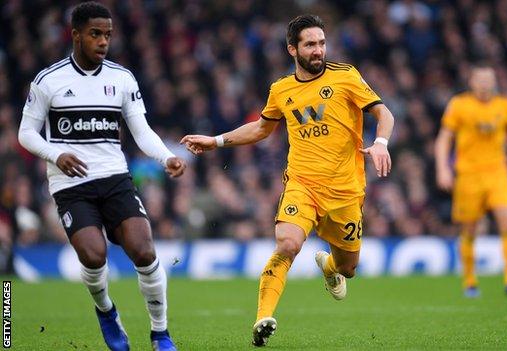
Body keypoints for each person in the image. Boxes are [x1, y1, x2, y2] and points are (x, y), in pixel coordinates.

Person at [181, 14, 394, 347]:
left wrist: (381, 142)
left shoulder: (346, 77)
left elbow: (384, 113)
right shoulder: (281, 90)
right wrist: (217, 140)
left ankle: (330, 267)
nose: (318, 50)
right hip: (302, 184)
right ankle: (262, 318)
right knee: (288, 244)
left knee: (349, 268)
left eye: (322, 43)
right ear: (292, 49)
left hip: (346, 191)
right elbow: (262, 128)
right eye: (310, 44)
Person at [17, 2, 184, 350]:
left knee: (144, 250)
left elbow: (141, 130)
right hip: (71, 184)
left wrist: (167, 156)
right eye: (95, 34)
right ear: (75, 35)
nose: (103, 41)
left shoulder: (121, 78)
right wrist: (56, 153)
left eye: (107, 34)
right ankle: (106, 311)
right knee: (93, 256)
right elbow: (26, 133)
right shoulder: (49, 81)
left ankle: (160, 333)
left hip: (114, 178)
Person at [434, 63, 507, 298]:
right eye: (480, 80)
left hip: (498, 173)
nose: (485, 84)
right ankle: (470, 281)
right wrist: (443, 168)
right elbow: (444, 139)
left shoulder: (505, 105)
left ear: (495, 81)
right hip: (468, 175)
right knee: (469, 229)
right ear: (472, 82)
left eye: (489, 79)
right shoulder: (459, 105)